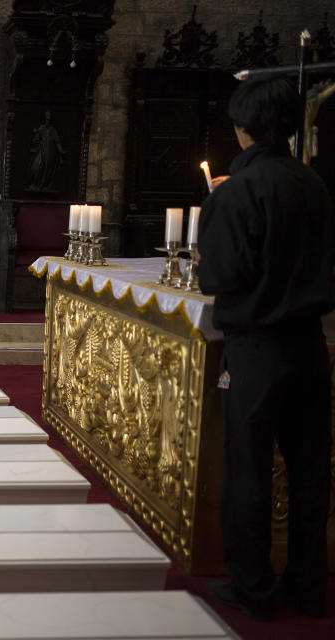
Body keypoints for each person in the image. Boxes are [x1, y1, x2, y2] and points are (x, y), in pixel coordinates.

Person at [197, 77, 335, 622]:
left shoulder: (237, 191)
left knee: (249, 471)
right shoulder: (316, 184)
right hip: (310, 346)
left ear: (243, 127)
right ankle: (307, 585)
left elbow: (221, 278)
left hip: (256, 350)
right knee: (309, 471)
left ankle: (253, 586)